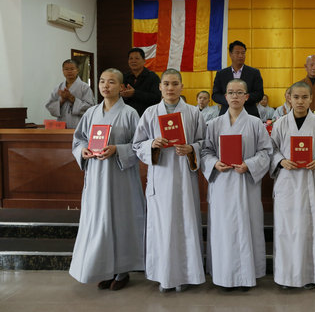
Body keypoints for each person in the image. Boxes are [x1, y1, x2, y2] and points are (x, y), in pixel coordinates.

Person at [69, 68, 145, 291]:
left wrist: (117, 149)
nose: (105, 85)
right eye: (102, 81)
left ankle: (122, 271)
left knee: (120, 220)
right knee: (98, 221)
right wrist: (83, 150)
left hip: (120, 178)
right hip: (96, 176)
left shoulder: (130, 113)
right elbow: (79, 140)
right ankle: (104, 269)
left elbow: (139, 145)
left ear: (121, 87)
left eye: (111, 82)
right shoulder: (91, 113)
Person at [133, 68, 206, 293]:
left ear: (182, 86)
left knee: (185, 224)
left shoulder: (193, 113)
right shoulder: (150, 113)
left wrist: (192, 148)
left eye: (175, 84)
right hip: (161, 176)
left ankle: (186, 275)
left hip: (184, 178)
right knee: (162, 225)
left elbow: (205, 143)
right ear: (160, 87)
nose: (170, 88)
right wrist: (152, 144)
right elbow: (137, 144)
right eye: (166, 84)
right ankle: (163, 274)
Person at [202, 79, 272, 291]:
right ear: (225, 96)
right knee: (224, 231)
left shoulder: (255, 123)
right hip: (222, 184)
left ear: (246, 97)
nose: (235, 96)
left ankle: (246, 276)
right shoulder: (214, 124)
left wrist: (249, 165)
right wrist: (215, 163)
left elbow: (266, 152)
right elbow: (205, 152)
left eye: (239, 92)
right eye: (231, 92)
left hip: (246, 184)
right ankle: (225, 276)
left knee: (247, 228)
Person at [269, 82, 315, 289]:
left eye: (305, 97)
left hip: (311, 182)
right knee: (286, 230)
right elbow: (271, 149)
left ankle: (311, 276)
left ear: (311, 99)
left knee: (310, 229)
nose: (300, 101)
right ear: (289, 98)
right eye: (296, 97)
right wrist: (281, 160)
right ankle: (287, 277)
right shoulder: (280, 124)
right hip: (288, 183)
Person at [212, 40, 264, 118]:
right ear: (230, 54)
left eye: (243, 53)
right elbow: (215, 95)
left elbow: (259, 94)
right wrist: (230, 100)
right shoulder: (221, 74)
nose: (240, 56)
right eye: (237, 53)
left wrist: (242, 99)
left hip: (249, 113)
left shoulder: (254, 73)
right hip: (226, 114)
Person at [45, 59, 95, 128]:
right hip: (61, 125)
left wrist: (72, 99)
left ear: (77, 70)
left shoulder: (84, 87)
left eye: (72, 69)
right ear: (63, 71)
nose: (69, 71)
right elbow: (49, 106)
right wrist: (61, 101)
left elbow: (91, 107)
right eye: (66, 69)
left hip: (79, 124)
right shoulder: (58, 88)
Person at [121, 48, 162, 117]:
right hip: (127, 115)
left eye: (137, 58)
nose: (133, 61)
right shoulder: (124, 77)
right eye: (131, 58)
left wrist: (134, 93)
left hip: (147, 115)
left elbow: (157, 98)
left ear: (144, 61)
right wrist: (124, 95)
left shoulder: (153, 77)